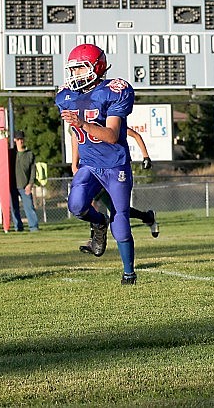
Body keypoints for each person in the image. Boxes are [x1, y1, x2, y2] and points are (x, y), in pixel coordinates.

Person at [56, 43, 138, 285]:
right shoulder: (67, 96)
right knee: (76, 205)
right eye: (73, 70)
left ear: (96, 68)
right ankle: (98, 222)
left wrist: (83, 124)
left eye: (80, 69)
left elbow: (112, 135)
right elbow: (73, 131)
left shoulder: (114, 91)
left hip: (115, 165)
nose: (75, 75)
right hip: (90, 164)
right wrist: (75, 161)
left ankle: (128, 273)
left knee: (121, 220)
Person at [73, 127, 159, 255]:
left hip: (110, 173)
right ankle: (147, 217)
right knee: (112, 208)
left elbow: (135, 135)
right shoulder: (83, 122)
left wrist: (146, 156)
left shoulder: (110, 126)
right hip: (94, 172)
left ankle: (95, 239)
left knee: (105, 206)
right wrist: (75, 165)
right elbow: (76, 138)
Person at [9, 130, 40, 232]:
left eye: (21, 139)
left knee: (29, 207)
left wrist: (30, 184)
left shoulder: (29, 154)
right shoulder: (11, 154)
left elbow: (33, 170)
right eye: (18, 139)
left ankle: (33, 227)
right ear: (14, 140)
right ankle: (18, 227)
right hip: (12, 185)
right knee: (14, 208)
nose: (20, 141)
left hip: (25, 185)